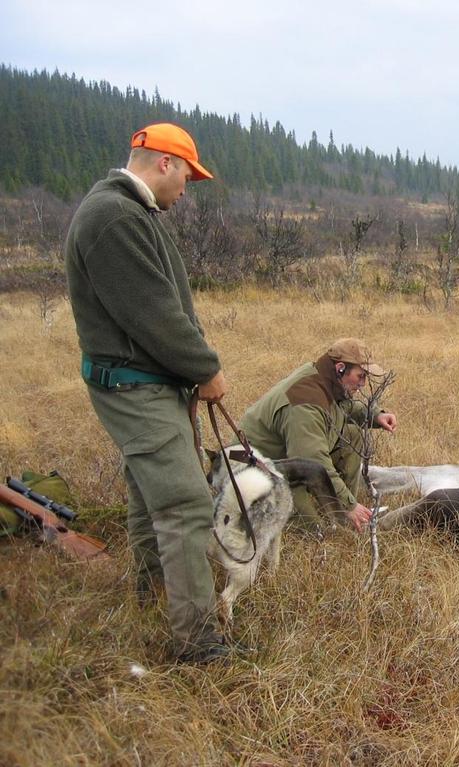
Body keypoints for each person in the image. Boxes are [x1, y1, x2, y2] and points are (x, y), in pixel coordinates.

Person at [65, 123, 236, 664]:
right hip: (136, 384)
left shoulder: (132, 212)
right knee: (186, 506)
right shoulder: (114, 218)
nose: (189, 186)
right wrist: (205, 368)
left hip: (144, 381)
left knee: (148, 490)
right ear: (164, 162)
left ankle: (152, 595)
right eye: (188, 172)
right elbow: (154, 315)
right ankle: (198, 642)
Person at [239, 338, 397, 532]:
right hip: (257, 470)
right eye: (360, 376)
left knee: (353, 434)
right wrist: (349, 505)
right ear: (340, 368)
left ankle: (337, 512)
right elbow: (313, 461)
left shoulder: (325, 378)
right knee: (313, 532)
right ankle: (337, 511)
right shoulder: (306, 403)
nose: (363, 383)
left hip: (286, 460)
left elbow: (343, 406)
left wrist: (376, 415)